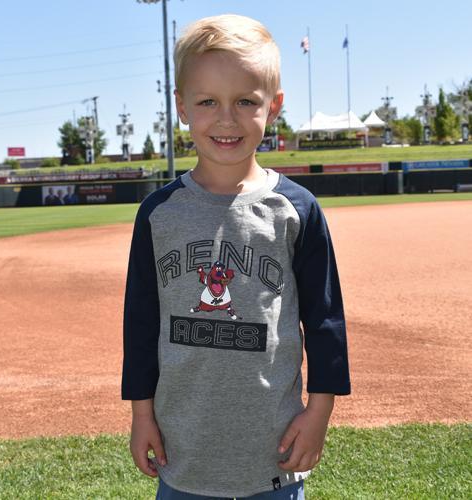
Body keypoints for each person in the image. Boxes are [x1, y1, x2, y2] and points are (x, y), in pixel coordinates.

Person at [122, 14, 350, 500]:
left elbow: (326, 319)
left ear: (275, 105)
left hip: (274, 456)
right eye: (207, 102)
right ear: (181, 106)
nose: (226, 118)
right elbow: (141, 324)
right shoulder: (158, 214)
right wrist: (142, 415)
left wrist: (320, 411)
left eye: (246, 101)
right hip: (182, 457)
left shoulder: (296, 210)